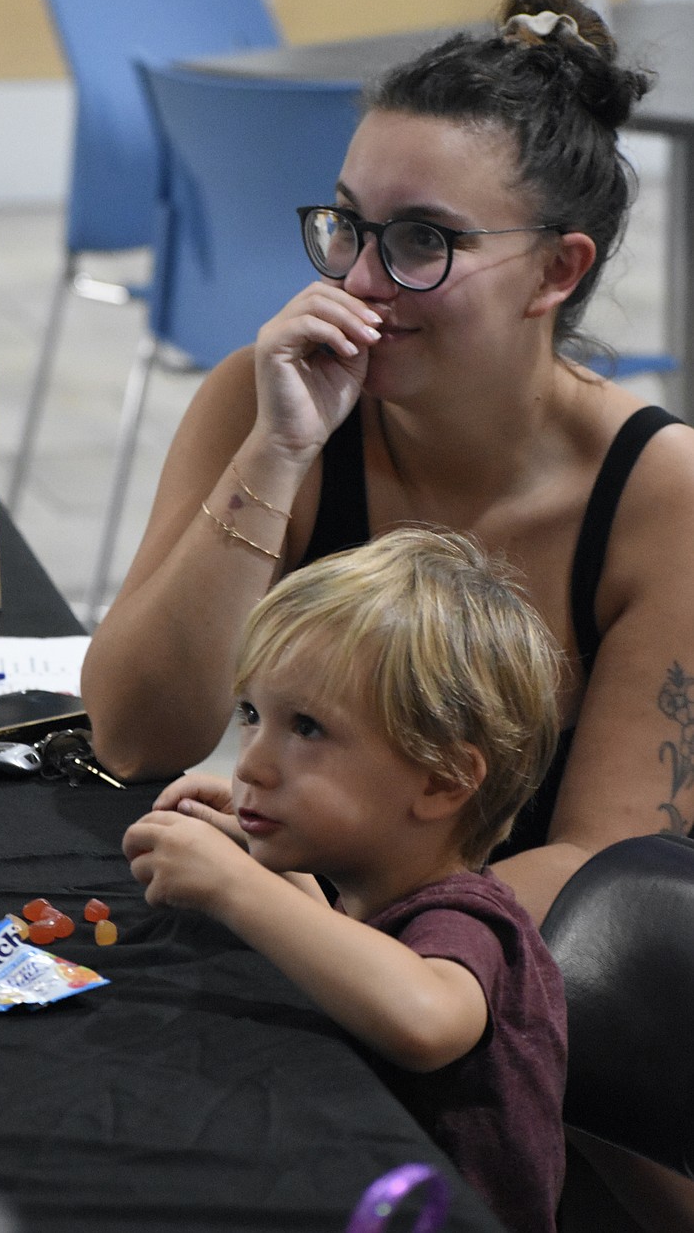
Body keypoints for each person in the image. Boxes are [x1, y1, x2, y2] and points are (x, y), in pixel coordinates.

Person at [85, 0, 694, 1225]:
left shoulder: (661, 494)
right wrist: (272, 456)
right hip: (339, 949)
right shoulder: (271, 404)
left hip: (526, 1041)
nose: (362, 279)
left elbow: (599, 870)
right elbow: (134, 735)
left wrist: (327, 910)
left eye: (423, 241)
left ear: (555, 271)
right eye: (347, 226)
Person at [124, 527, 566, 1233]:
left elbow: (424, 1019)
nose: (250, 766)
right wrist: (258, 853)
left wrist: (236, 888)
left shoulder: (468, 923)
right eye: (251, 715)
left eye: (306, 729)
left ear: (443, 780)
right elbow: (343, 948)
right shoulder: (369, 890)